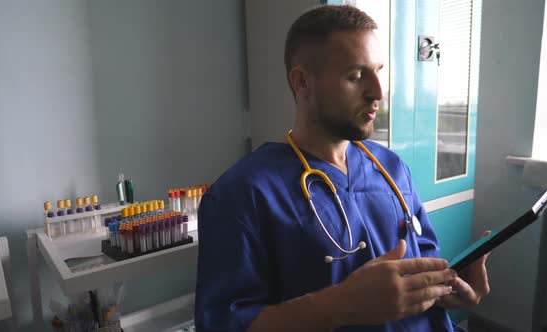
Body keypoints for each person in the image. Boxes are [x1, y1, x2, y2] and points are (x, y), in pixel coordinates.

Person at [195, 5, 489, 332]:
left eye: (378, 71)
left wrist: (449, 288)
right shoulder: (242, 194)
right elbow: (225, 325)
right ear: (302, 82)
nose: (378, 92)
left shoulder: (391, 167)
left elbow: (423, 269)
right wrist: (340, 306)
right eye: (355, 76)